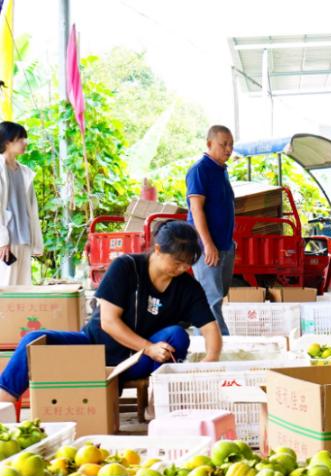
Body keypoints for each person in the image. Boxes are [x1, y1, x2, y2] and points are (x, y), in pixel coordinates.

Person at [0, 221, 222, 406]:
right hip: (94, 349)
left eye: (187, 264)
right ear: (157, 249)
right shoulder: (125, 266)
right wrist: (149, 347)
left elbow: (210, 327)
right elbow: (108, 322)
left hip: (139, 361)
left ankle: (159, 404)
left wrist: (210, 359)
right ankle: (5, 403)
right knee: (33, 340)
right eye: (177, 262)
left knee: (177, 335)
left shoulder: (187, 286)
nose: (182, 269)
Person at [186, 125, 236, 333]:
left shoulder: (222, 171)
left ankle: (206, 341)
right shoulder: (199, 170)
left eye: (231, 145)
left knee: (218, 294)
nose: (228, 149)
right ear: (209, 144)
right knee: (211, 299)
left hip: (225, 245)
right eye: (223, 144)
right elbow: (196, 210)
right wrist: (208, 244)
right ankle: (220, 346)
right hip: (207, 247)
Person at [0, 122, 42, 286]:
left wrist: (36, 242)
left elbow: (31, 211)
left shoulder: (25, 172)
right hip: (6, 241)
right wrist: (2, 240)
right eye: (20, 138)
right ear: (7, 141)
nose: (25, 142)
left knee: (23, 289)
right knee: (5, 288)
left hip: (24, 239)